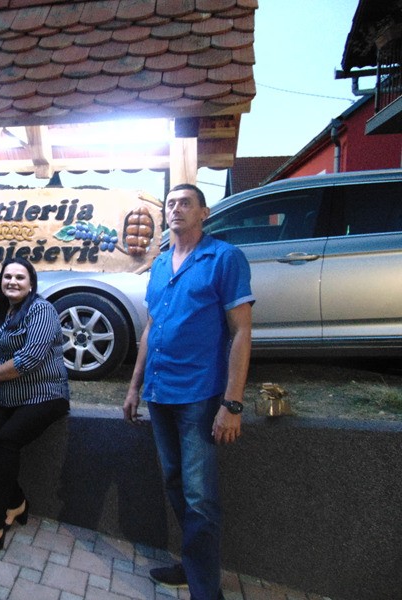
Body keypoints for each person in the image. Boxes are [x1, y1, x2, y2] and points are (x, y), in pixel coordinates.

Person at [123, 183, 253, 599]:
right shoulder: (161, 263)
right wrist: (134, 386)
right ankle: (193, 565)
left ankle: (205, 590)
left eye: (185, 203)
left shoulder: (225, 258)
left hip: (199, 395)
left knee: (200, 497)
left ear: (203, 212)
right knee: (176, 484)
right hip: (159, 391)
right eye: (171, 203)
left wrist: (232, 403)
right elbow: (151, 326)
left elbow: (241, 331)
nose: (176, 209)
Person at [0, 257, 70, 559]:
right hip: (7, 397)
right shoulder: (2, 311)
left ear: (31, 283)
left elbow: (30, 358)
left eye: (20, 277)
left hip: (44, 394)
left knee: (6, 441)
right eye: (7, 277)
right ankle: (16, 501)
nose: (13, 282)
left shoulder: (41, 310)